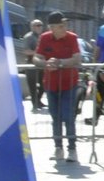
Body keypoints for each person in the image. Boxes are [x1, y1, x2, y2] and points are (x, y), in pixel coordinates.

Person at [33, 12, 83, 164]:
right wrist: (46, 63)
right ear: (52, 27)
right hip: (51, 84)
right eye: (60, 26)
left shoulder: (72, 37)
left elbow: (77, 58)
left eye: (65, 25)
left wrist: (60, 62)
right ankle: (58, 148)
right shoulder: (45, 38)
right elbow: (36, 57)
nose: (64, 28)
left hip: (69, 83)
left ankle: (72, 149)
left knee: (68, 117)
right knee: (55, 117)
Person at [18, 18, 45, 109]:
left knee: (43, 84)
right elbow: (26, 51)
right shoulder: (29, 37)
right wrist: (37, 53)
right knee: (32, 86)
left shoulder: (41, 37)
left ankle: (39, 100)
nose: (40, 27)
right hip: (31, 65)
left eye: (41, 25)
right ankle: (35, 104)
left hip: (41, 65)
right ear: (32, 27)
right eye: (37, 25)